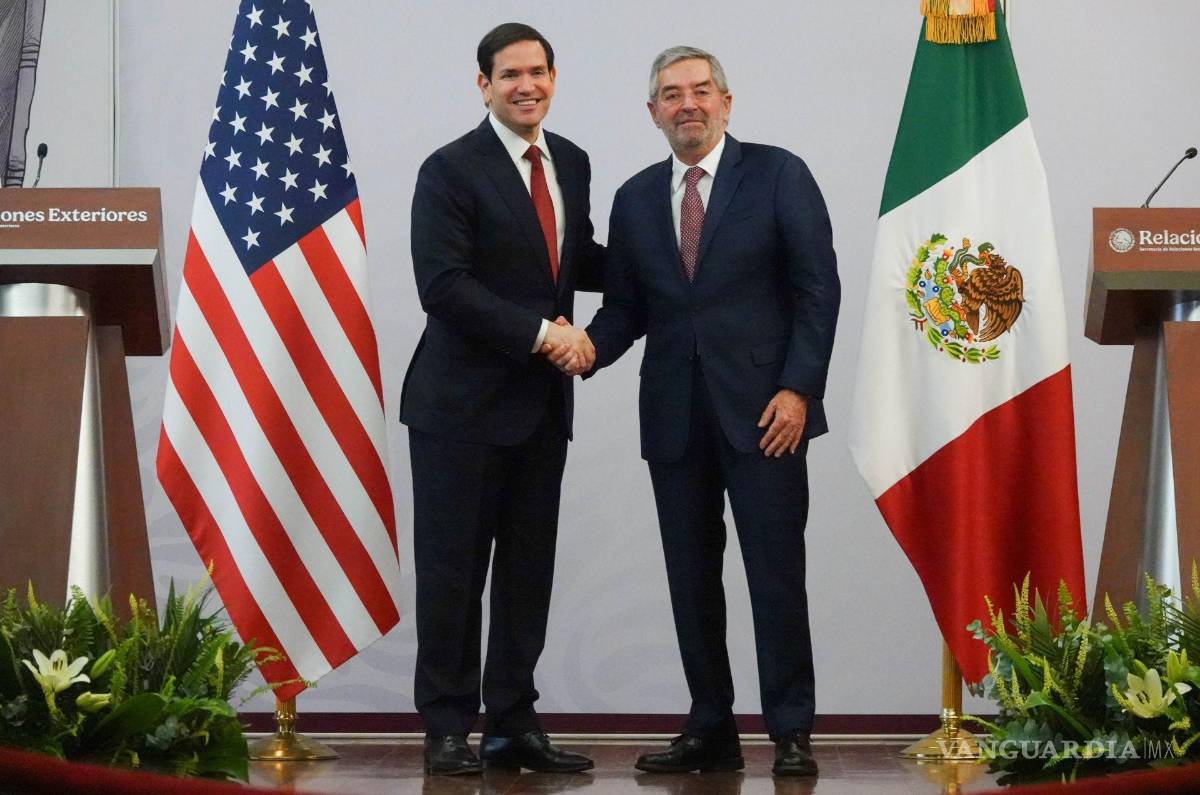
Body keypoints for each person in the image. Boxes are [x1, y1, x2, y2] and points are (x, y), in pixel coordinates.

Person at [552, 46, 839, 777]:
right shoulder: (638, 197)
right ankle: (710, 724)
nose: (689, 104)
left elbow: (817, 289)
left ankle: (792, 729)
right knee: (690, 578)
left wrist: (799, 388)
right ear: (653, 113)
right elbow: (627, 308)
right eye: (672, 94)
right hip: (676, 418)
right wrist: (586, 348)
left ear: (727, 101)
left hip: (767, 415)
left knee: (776, 574)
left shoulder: (779, 174)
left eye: (701, 91)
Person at [402, 22, 603, 776]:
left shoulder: (572, 161)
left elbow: (576, 258)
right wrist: (542, 335)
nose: (527, 86)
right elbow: (443, 285)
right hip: (458, 409)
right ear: (482, 84)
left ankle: (513, 722)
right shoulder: (449, 169)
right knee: (452, 572)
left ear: (554, 78)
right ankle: (448, 724)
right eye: (510, 74)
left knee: (528, 573)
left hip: (541, 411)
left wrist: (675, 263)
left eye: (539, 72)